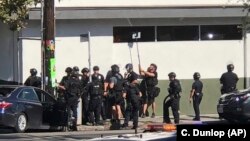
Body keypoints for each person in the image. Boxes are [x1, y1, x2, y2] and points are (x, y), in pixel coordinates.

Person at [122, 63, 141, 129]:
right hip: (130, 94)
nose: (126, 70)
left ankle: (127, 124)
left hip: (133, 94)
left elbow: (135, 82)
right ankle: (133, 124)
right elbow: (125, 83)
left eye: (127, 68)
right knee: (131, 110)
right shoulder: (128, 74)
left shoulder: (134, 74)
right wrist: (125, 78)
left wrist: (128, 84)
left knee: (130, 110)